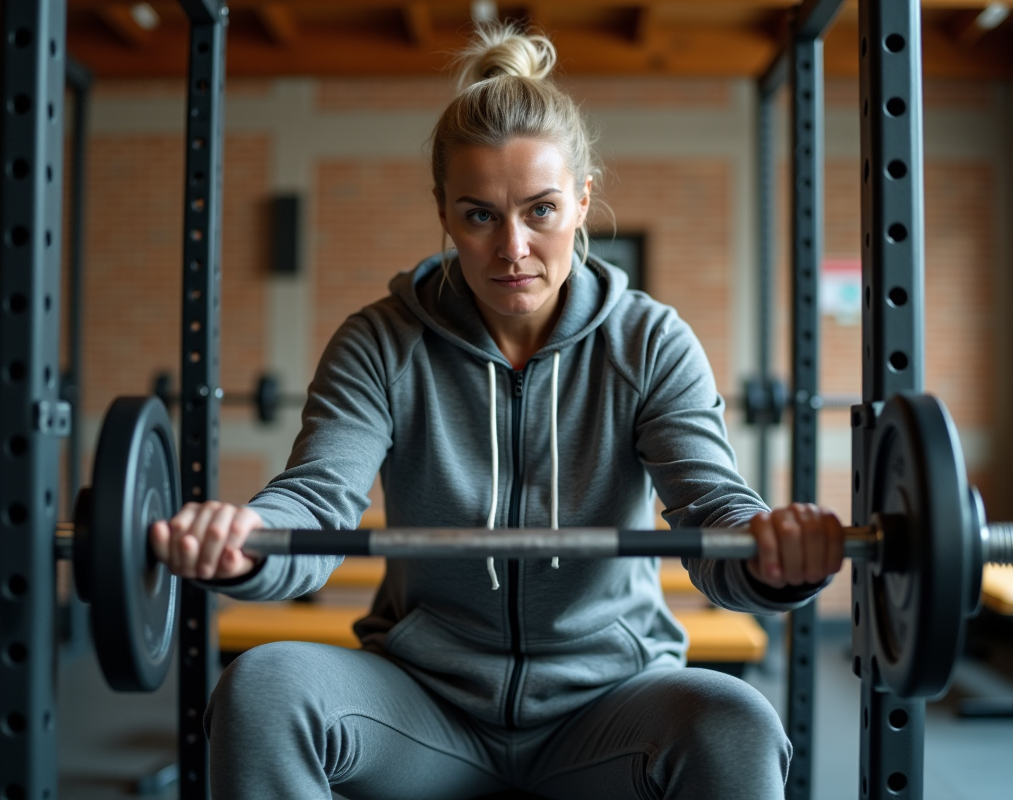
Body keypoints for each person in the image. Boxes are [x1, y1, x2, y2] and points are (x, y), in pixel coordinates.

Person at [150, 23, 844, 800]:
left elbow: (714, 512)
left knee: (736, 721)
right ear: (444, 211)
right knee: (265, 686)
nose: (512, 247)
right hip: (425, 706)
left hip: (608, 707)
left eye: (540, 211)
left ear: (582, 202)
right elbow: (314, 503)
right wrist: (245, 543)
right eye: (480, 215)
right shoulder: (383, 341)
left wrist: (776, 556)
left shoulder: (649, 341)